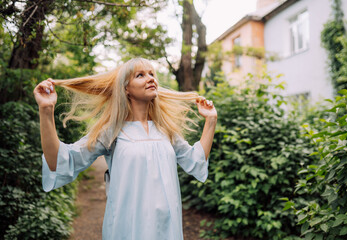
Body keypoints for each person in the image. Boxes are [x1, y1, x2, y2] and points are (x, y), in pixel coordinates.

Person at [33, 58, 217, 240]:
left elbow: (196, 160)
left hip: (167, 229)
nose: (151, 78)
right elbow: (60, 161)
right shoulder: (111, 132)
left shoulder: (166, 131)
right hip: (126, 229)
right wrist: (46, 110)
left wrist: (211, 120)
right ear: (126, 88)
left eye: (152, 74)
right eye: (140, 75)